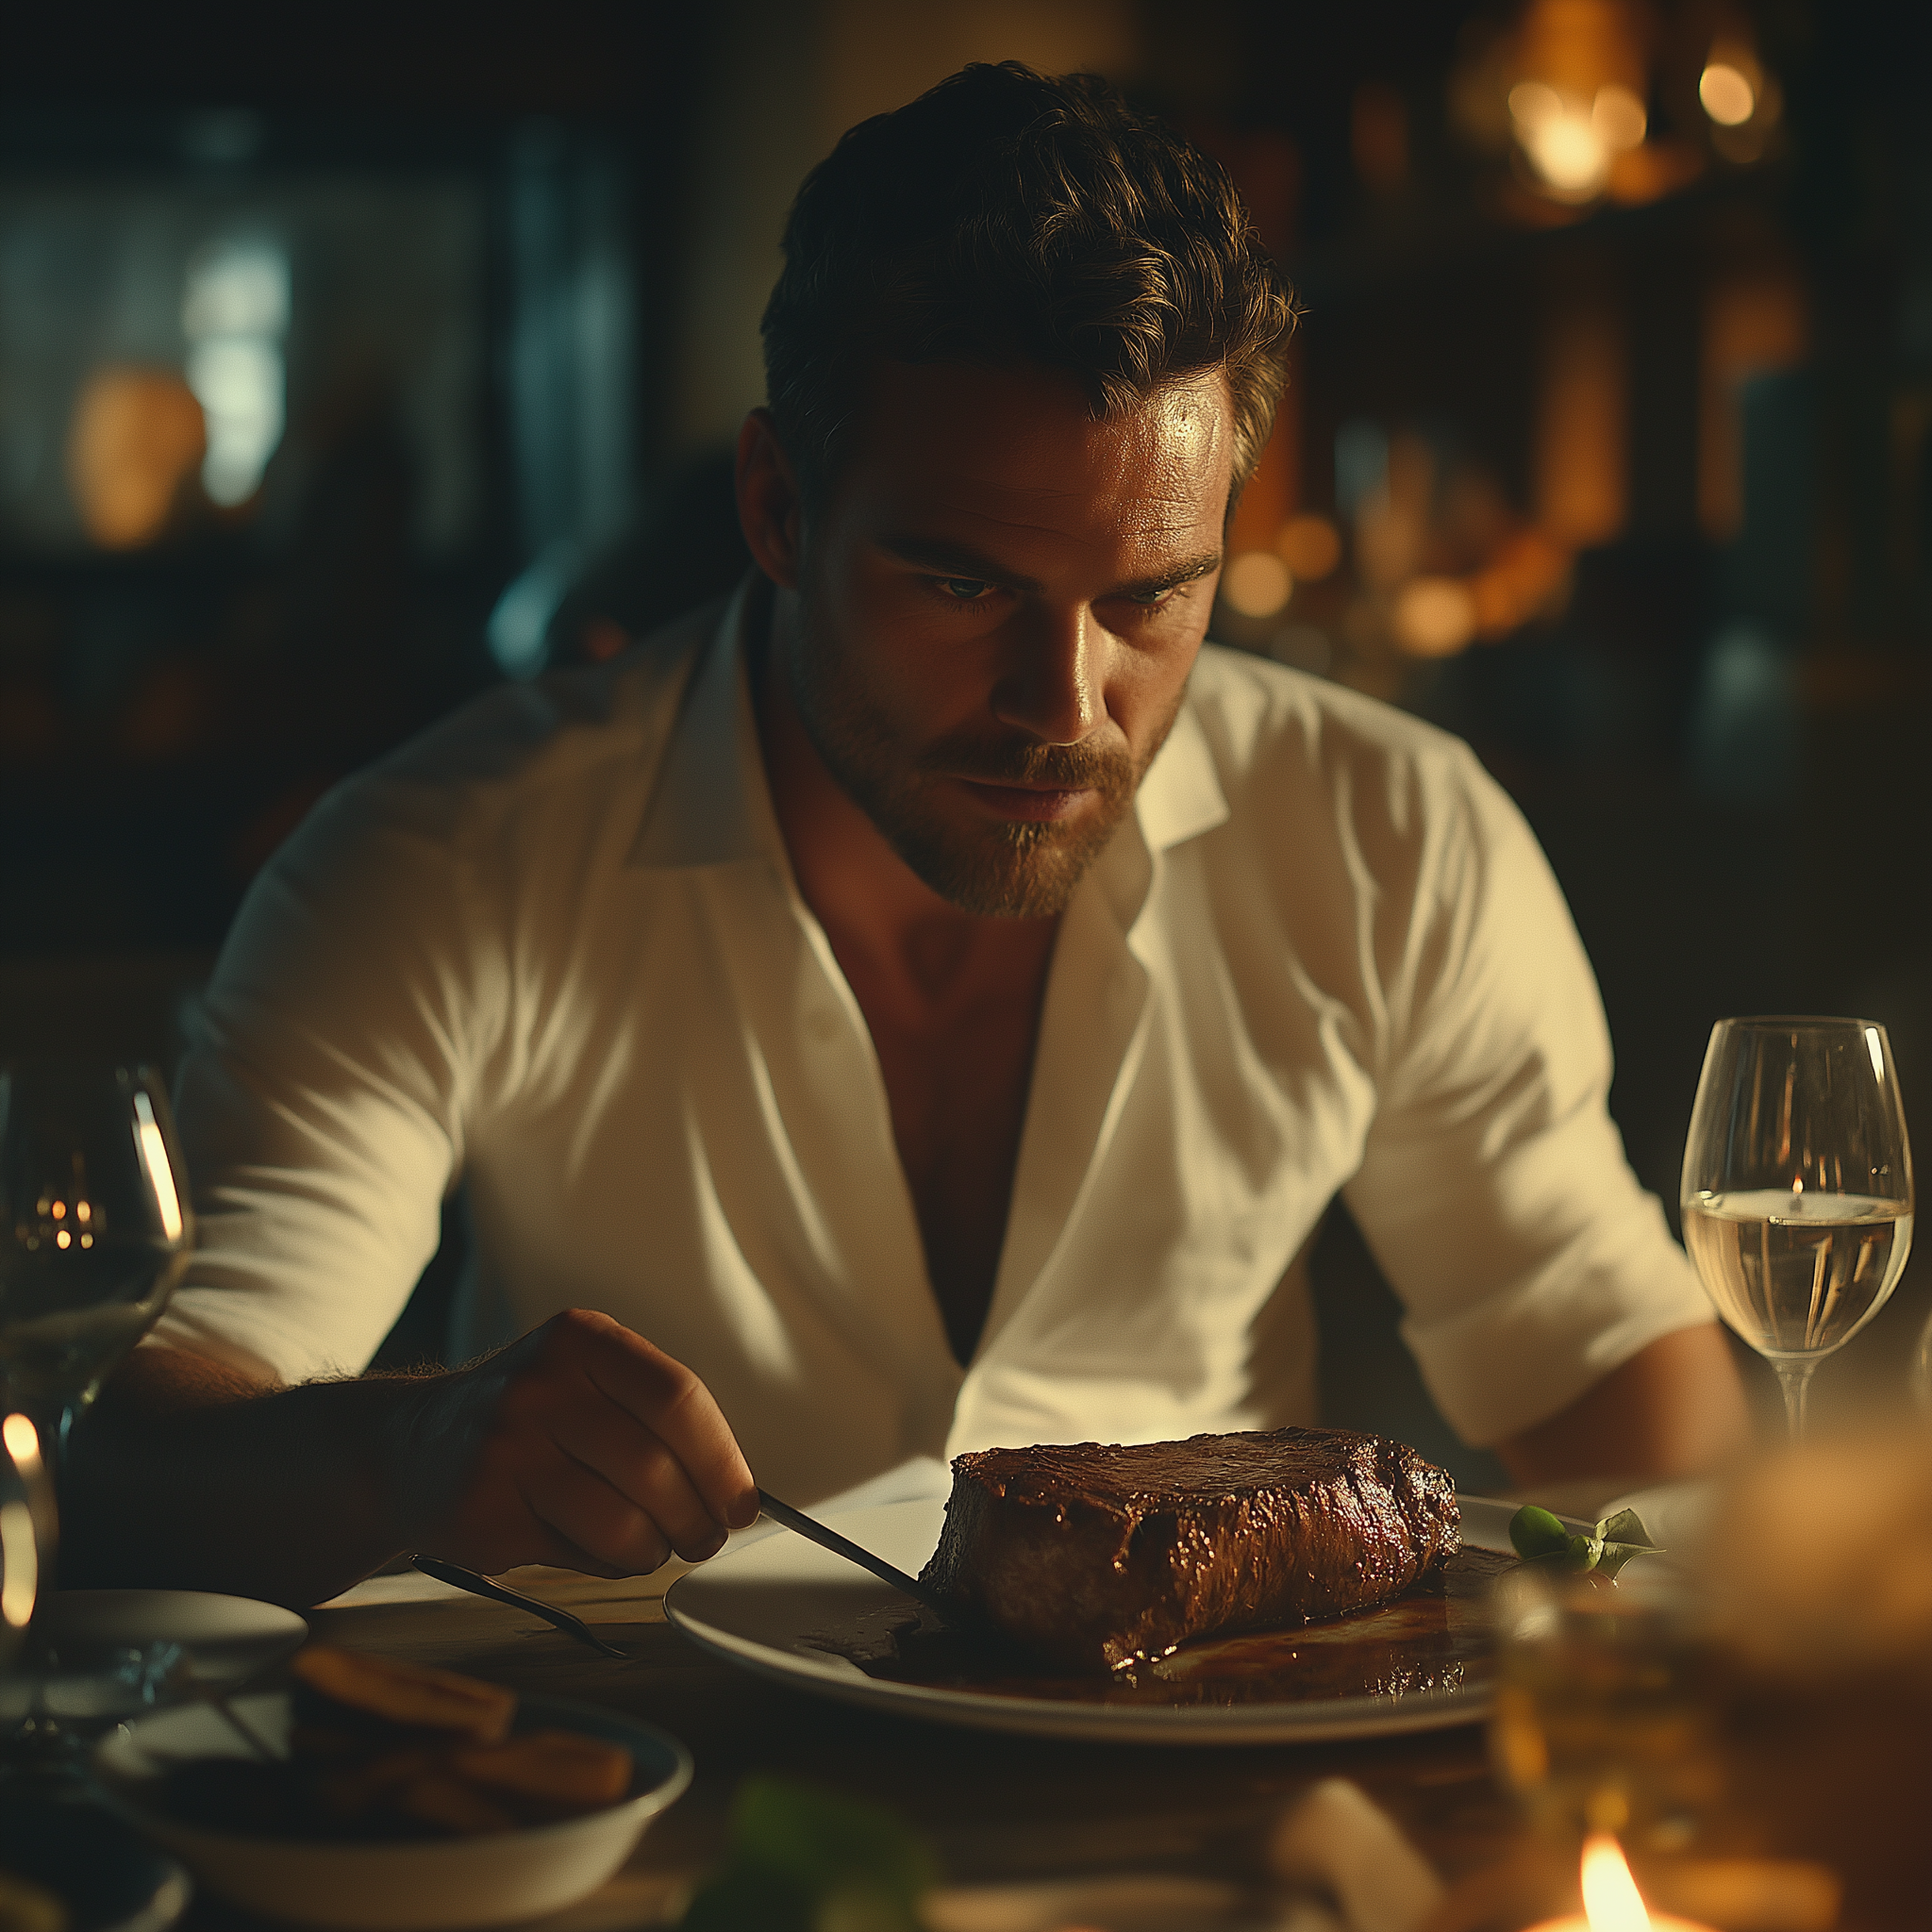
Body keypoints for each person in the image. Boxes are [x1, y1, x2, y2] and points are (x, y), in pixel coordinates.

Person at [68, 64, 1746, 1607]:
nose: (1065, 702)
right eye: (964, 585)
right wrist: (408, 1453)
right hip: (663, 1827)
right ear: (779, 509)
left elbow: (1629, 1409)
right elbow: (124, 1447)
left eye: (1152, 597)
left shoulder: (1398, 842)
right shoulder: (441, 865)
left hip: (1217, 1821)